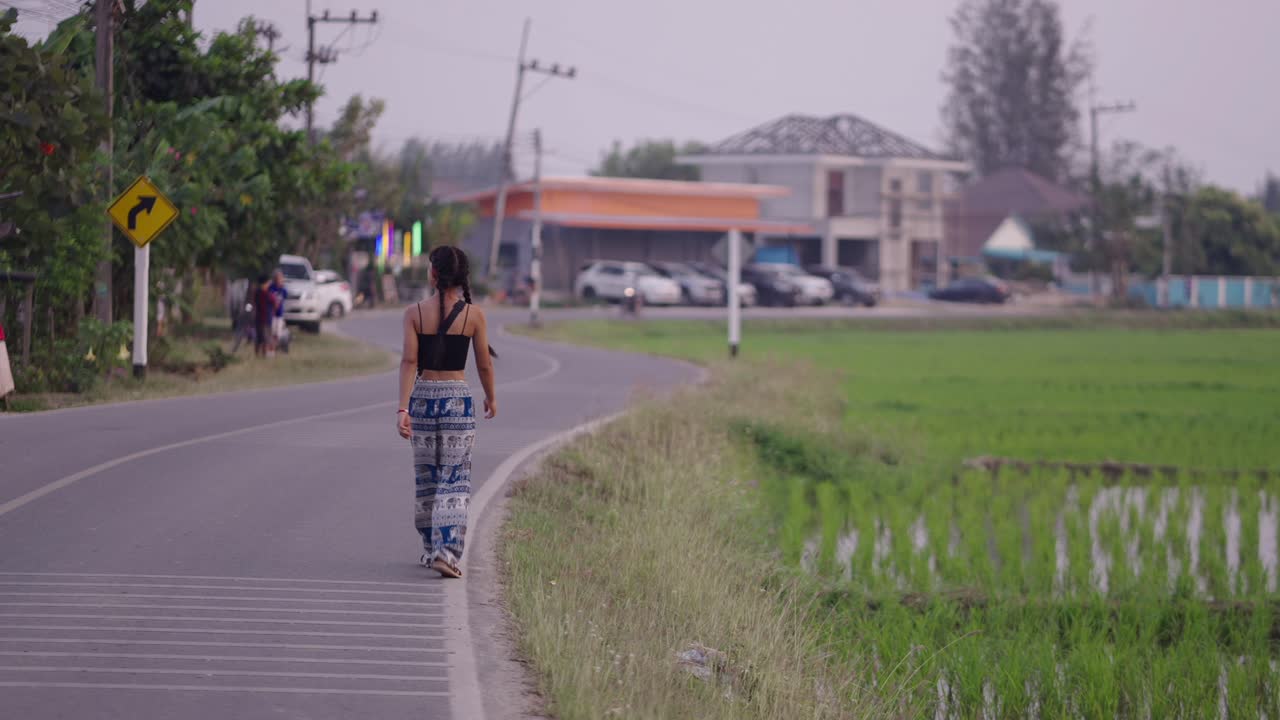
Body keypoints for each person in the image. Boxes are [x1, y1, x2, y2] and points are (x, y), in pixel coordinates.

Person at [397, 246, 497, 578]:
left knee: (427, 476)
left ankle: (430, 548)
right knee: (453, 478)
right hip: (457, 401)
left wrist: (403, 408)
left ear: (434, 275)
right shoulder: (474, 316)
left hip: (423, 399)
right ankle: (446, 550)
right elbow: (484, 364)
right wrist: (490, 398)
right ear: (462, 277)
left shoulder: (414, 313)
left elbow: (410, 362)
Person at [252, 275, 274, 357]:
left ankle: (257, 353)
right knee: (265, 338)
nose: (269, 284)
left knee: (259, 337)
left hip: (258, 318)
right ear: (264, 284)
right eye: (268, 283)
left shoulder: (256, 292)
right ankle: (264, 354)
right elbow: (273, 302)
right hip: (265, 318)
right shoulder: (266, 294)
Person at [268, 270, 288, 355]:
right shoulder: (271, 288)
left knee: (278, 334)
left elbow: (285, 297)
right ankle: (271, 350)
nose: (280, 280)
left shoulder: (283, 290)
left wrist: (282, 286)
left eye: (281, 278)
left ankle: (274, 348)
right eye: (278, 278)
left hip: (279, 314)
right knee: (272, 332)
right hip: (272, 314)